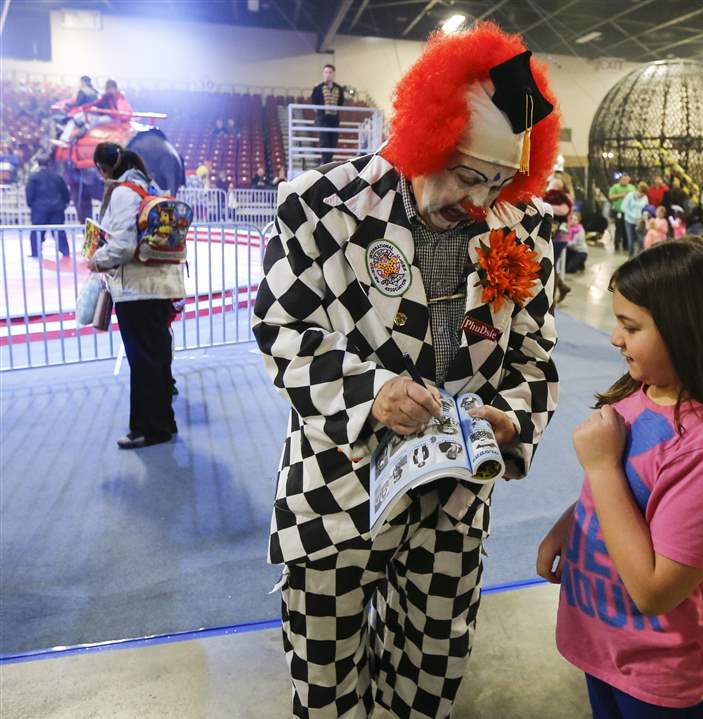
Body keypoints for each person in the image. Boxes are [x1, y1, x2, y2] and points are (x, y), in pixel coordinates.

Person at [251, 23, 561, 718]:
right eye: (466, 174)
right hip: (336, 493)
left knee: (430, 682)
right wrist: (372, 393)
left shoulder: (525, 224)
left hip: (452, 505)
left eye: (500, 180)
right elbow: (282, 330)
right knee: (327, 684)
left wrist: (510, 419)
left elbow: (537, 355)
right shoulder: (319, 204)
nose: (481, 201)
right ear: (427, 133)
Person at [537, 236, 703, 718]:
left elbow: (656, 591)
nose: (614, 338)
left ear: (686, 331)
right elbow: (626, 494)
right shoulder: (641, 394)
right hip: (609, 644)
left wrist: (600, 465)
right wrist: (568, 526)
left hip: (661, 671)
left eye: (630, 326)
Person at [86, 143, 184, 449]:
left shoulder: (122, 192)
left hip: (136, 290)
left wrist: (96, 258)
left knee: (143, 363)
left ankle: (149, 429)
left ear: (104, 167)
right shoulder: (150, 186)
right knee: (156, 359)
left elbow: (123, 246)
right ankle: (162, 424)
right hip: (161, 285)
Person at [25, 159, 71, 258]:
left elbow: (29, 194)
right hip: (57, 208)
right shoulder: (57, 177)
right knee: (59, 231)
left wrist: (32, 205)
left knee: (37, 231)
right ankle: (65, 251)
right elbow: (65, 192)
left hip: (39, 209)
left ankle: (36, 252)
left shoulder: (33, 178)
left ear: (38, 164)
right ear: (49, 164)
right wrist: (65, 203)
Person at [544, 176, 574, 303]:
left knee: (551, 265)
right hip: (552, 235)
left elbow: (563, 211)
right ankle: (562, 287)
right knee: (550, 265)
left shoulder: (565, 199)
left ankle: (552, 299)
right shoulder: (550, 197)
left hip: (560, 236)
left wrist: (545, 203)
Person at [311, 63, 345, 164]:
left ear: (334, 74)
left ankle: (327, 162)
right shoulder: (318, 88)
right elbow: (314, 103)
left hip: (334, 119)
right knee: (324, 141)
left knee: (333, 142)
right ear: (323, 74)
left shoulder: (339, 88)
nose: (328, 74)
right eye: (326, 72)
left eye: (330, 72)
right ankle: (325, 163)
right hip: (323, 119)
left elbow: (341, 102)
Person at [621, 181, 649, 258]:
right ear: (637, 190)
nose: (642, 195)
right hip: (629, 221)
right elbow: (623, 208)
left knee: (641, 240)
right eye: (641, 193)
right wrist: (634, 217)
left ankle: (641, 257)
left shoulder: (645, 197)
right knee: (631, 240)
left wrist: (645, 215)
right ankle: (630, 257)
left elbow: (646, 208)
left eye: (644, 194)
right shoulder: (630, 196)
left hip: (640, 222)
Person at [608, 174, 633, 252]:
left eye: (626, 180)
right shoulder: (615, 187)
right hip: (619, 212)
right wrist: (621, 195)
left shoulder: (632, 187)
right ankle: (617, 245)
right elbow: (610, 197)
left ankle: (626, 245)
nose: (625, 181)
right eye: (623, 180)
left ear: (629, 180)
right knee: (619, 228)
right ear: (620, 180)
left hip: (629, 212)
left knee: (627, 229)